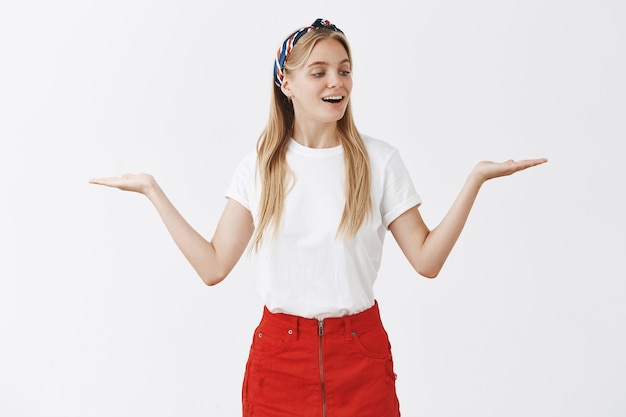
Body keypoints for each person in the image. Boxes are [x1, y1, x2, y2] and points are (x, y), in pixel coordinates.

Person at [90, 18, 547, 417]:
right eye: (320, 71)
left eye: (345, 71)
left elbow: (427, 261)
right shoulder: (260, 166)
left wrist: (475, 180)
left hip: (360, 353)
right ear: (286, 84)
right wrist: (153, 191)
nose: (338, 83)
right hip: (280, 357)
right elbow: (212, 267)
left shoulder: (380, 161)